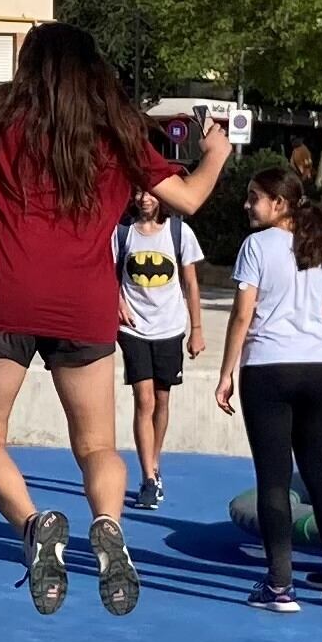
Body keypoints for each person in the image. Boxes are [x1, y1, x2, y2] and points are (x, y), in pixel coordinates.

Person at [0, 24, 231, 616]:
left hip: (5, 298)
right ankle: (109, 526)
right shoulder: (117, 133)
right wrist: (216, 154)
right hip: (84, 304)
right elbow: (191, 200)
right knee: (96, 445)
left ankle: (34, 523)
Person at [216, 165, 322, 613]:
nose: (247, 205)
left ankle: (280, 584)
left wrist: (226, 372)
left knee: (274, 479)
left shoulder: (256, 247)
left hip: (269, 369)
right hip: (318, 369)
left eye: (254, 197)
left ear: (278, 204)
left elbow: (243, 315)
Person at [111, 189, 205, 512]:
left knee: (162, 400)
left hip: (169, 328)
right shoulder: (122, 233)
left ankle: (155, 459)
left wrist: (196, 330)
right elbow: (107, 275)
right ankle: (148, 477)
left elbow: (191, 283)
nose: (143, 198)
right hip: (133, 328)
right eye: (137, 192)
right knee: (144, 399)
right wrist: (118, 301)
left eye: (150, 192)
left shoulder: (179, 232)